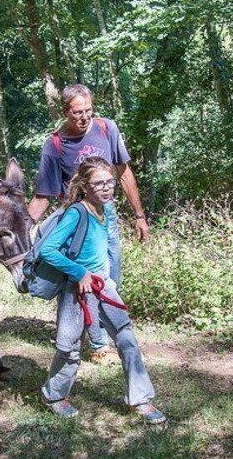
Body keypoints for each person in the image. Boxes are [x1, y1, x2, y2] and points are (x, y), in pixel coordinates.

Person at [38, 157, 166, 424]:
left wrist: (111, 280)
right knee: (69, 347)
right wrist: (79, 272)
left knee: (127, 339)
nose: (107, 188)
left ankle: (140, 400)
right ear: (85, 185)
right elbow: (48, 250)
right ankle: (53, 396)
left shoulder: (106, 210)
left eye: (110, 182)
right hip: (78, 291)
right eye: (99, 184)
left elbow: (110, 247)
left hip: (104, 287)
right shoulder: (77, 212)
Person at [28, 84, 149, 361]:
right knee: (88, 278)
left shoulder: (107, 128)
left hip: (107, 217)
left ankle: (105, 333)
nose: (83, 118)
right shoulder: (55, 145)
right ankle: (99, 345)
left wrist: (139, 216)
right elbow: (43, 194)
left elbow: (123, 173)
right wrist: (22, 227)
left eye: (88, 111)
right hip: (78, 221)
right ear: (64, 112)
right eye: (77, 113)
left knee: (110, 279)